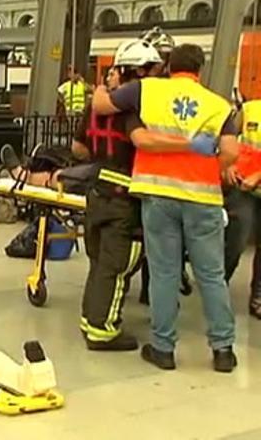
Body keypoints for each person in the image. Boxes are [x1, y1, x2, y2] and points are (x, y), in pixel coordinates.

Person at [93, 44, 238, 372]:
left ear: (169, 65)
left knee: (164, 273)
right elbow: (229, 152)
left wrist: (101, 85)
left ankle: (163, 348)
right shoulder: (218, 105)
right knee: (211, 275)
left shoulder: (146, 89)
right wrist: (207, 164)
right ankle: (223, 350)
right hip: (203, 199)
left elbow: (101, 106)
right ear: (200, 69)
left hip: (158, 195)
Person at [73, 39, 186, 351]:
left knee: (99, 263)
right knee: (119, 265)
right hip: (125, 198)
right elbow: (144, 141)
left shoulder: (96, 107)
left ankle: (90, 320)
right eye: (151, 71)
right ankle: (103, 330)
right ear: (137, 71)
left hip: (97, 194)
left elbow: (78, 148)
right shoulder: (135, 109)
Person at [223, 98, 261, 318]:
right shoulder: (249, 109)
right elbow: (228, 139)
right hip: (242, 187)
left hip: (255, 181)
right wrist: (228, 165)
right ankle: (219, 282)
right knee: (237, 239)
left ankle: (258, 296)